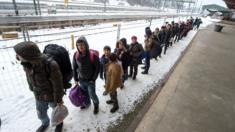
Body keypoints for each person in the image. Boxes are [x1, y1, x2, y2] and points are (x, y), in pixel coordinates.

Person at [13, 41, 64, 132]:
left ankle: (59, 123)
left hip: (52, 96)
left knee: (56, 112)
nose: (17, 56)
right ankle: (45, 123)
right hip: (38, 95)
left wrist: (59, 99)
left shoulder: (50, 65)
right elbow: (29, 77)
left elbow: (58, 84)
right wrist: (31, 87)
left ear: (28, 56)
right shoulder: (27, 64)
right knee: (41, 113)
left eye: (19, 54)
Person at [73, 36, 100, 114]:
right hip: (81, 79)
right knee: (85, 93)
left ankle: (96, 105)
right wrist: (76, 78)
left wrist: (93, 79)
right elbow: (74, 67)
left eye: (82, 44)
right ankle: (87, 103)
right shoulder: (76, 55)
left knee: (92, 94)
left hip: (90, 80)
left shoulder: (93, 55)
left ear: (86, 45)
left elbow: (97, 68)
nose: (80, 47)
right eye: (78, 45)